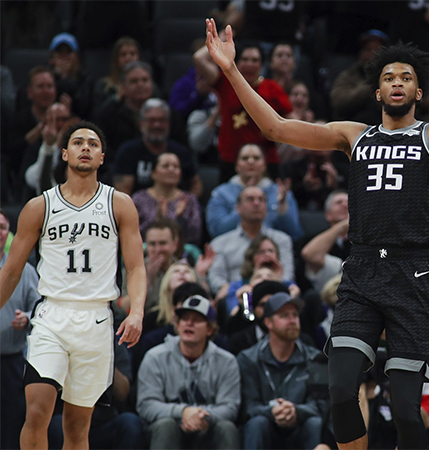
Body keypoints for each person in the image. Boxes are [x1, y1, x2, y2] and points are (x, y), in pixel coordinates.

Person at [204, 18, 429, 449]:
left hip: (413, 275)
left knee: (405, 410)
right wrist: (231, 70)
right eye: (388, 77)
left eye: (406, 77)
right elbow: (276, 128)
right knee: (341, 392)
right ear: (378, 92)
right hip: (362, 270)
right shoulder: (354, 136)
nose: (397, 82)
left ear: (418, 92)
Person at [0, 121, 146, 449]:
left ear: (102, 157)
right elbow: (10, 271)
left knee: (77, 427)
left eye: (93, 144)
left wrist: (136, 312)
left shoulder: (119, 204)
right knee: (36, 411)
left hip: (96, 319)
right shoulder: (39, 206)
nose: (85, 148)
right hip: (51, 315)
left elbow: (136, 266)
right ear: (65, 154)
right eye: (78, 142)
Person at [136, 295, 241, 450]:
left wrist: (200, 416)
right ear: (177, 325)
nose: (189, 323)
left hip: (207, 427)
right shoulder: (155, 357)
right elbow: (146, 404)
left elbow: (230, 407)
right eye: (184, 319)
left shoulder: (226, 361)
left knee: (226, 428)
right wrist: (183, 412)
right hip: (169, 426)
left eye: (197, 320)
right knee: (166, 425)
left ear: (210, 329)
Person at [193, 35, 292, 182]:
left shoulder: (272, 87)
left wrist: (278, 139)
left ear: (261, 64)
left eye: (255, 60)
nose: (250, 64)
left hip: (266, 160)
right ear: (236, 62)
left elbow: (290, 119)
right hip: (230, 159)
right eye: (245, 59)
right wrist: (219, 39)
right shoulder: (225, 82)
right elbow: (198, 58)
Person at [238, 290, 325, 449]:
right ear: (268, 323)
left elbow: (320, 405)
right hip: (266, 426)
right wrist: (273, 411)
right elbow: (248, 407)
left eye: (295, 315)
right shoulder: (248, 359)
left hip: (300, 427)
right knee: (256, 423)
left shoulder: (315, 358)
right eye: (284, 316)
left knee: (315, 422)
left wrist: (295, 410)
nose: (292, 320)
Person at [207, 186, 294, 297]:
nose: (256, 203)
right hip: (234, 296)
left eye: (261, 200)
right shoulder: (219, 244)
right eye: (250, 199)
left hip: (274, 294)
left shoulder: (282, 240)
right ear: (238, 207)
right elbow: (217, 280)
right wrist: (235, 291)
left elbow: (287, 275)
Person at [206, 143, 304, 240]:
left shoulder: (280, 192)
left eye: (256, 158)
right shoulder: (221, 193)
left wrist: (282, 207)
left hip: (272, 246)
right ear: (237, 166)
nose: (251, 161)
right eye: (245, 158)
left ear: (264, 165)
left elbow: (294, 234)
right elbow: (216, 231)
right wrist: (242, 205)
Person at [0, 209, 39, 449]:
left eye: (2, 227)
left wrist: (26, 318)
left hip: (12, 362)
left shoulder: (25, 271)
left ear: (9, 233)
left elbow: (41, 309)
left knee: (11, 425)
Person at [113, 98, 202, 198]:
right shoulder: (128, 152)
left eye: (162, 120)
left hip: (177, 206)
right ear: (141, 123)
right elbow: (122, 190)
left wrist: (188, 203)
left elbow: (196, 183)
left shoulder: (181, 152)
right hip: (137, 206)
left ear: (169, 123)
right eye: (151, 120)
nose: (157, 125)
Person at [132, 152, 203, 246]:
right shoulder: (139, 199)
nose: (171, 170)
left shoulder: (189, 199)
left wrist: (180, 219)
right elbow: (132, 232)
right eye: (165, 166)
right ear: (153, 173)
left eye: (176, 167)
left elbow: (195, 236)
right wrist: (158, 220)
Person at [93, 36, 141, 108]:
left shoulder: (146, 84)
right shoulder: (103, 86)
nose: (128, 58)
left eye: (132, 54)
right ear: (116, 59)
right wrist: (117, 97)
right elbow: (98, 113)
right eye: (123, 54)